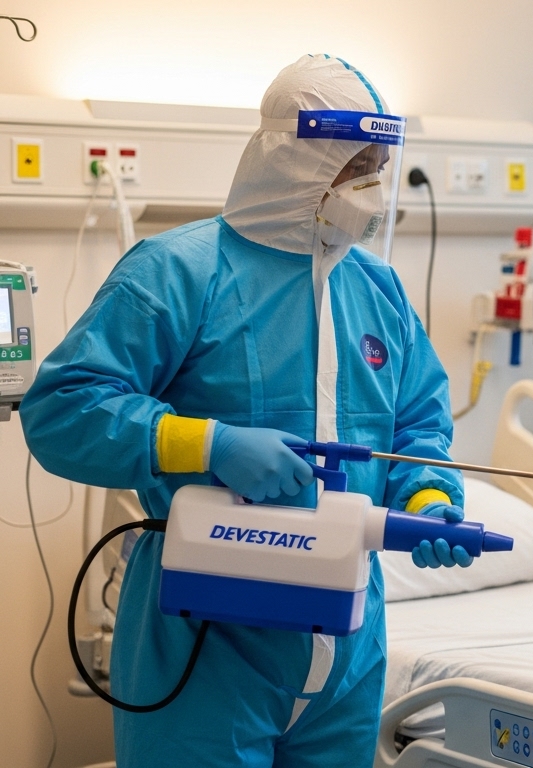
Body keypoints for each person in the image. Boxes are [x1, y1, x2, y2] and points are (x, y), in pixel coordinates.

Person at [21, 54, 472, 767]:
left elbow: (418, 421)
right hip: (207, 637)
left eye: (381, 164)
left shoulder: (377, 290)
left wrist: (427, 495)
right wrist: (208, 443)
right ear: (298, 161)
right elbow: (63, 411)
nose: (373, 188)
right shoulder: (175, 273)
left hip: (348, 641)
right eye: (357, 166)